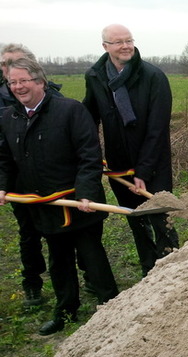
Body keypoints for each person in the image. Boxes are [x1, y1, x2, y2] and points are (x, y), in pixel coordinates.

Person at [0, 58, 119, 335]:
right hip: (44, 203)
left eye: (23, 81)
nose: (18, 87)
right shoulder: (9, 117)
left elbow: (89, 156)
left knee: (92, 256)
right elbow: (4, 159)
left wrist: (87, 193)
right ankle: (66, 311)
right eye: (12, 82)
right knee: (58, 258)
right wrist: (3, 186)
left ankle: (112, 307)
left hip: (77, 201)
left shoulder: (70, 111)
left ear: (40, 81)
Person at [83, 24, 179, 277]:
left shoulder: (153, 77)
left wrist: (144, 170)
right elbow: (88, 118)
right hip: (119, 163)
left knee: (160, 217)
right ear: (105, 47)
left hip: (153, 163)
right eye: (118, 42)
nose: (125, 46)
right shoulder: (95, 77)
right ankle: (149, 269)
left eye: (129, 40)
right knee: (135, 218)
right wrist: (92, 154)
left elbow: (158, 129)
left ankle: (173, 269)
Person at [1, 44, 63, 307]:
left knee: (61, 234)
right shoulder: (4, 103)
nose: (8, 68)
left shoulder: (54, 99)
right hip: (19, 183)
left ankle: (74, 282)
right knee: (28, 234)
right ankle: (32, 284)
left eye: (17, 63)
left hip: (52, 182)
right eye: (5, 64)